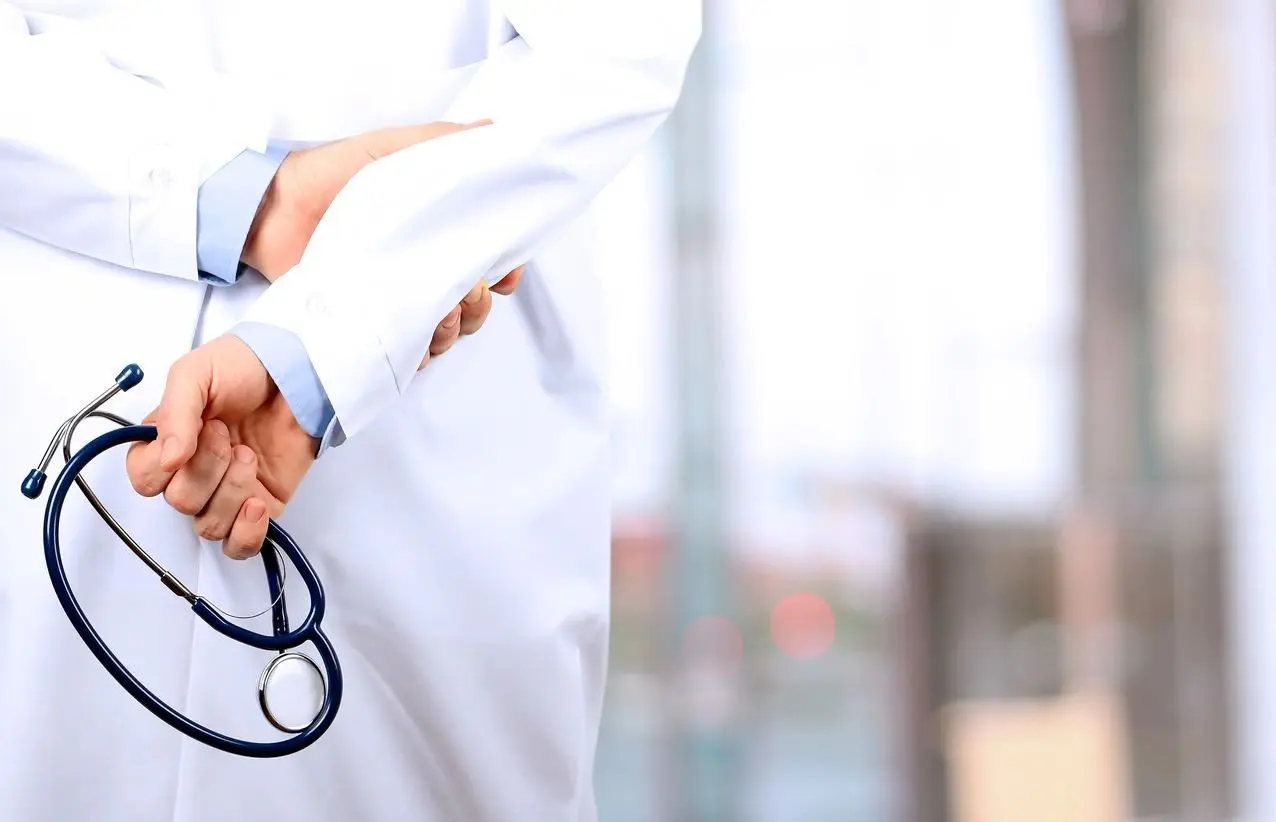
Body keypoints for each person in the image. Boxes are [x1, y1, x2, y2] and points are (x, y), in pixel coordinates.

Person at [0, 0, 699, 819]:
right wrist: (252, 200)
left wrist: (332, 325)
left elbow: (613, 50)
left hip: (429, 458)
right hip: (56, 373)